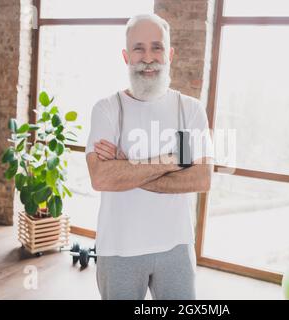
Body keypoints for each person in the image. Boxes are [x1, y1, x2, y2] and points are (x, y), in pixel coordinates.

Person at [85, 13, 214, 300]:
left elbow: (202, 178)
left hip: (176, 246)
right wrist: (172, 160)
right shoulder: (107, 109)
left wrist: (127, 168)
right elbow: (101, 177)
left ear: (170, 54)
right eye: (138, 48)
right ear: (125, 56)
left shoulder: (189, 109)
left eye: (157, 47)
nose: (148, 57)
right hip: (118, 249)